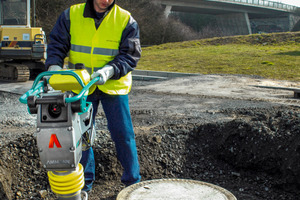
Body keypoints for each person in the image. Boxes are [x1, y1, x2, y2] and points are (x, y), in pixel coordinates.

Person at [45, 0, 142, 192]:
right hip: (81, 86)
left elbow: (131, 54)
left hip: (113, 86)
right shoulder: (71, 15)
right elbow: (57, 44)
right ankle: (84, 185)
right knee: (80, 136)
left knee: (123, 135)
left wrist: (110, 70)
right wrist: (53, 65)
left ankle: (133, 183)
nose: (105, 0)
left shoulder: (125, 20)